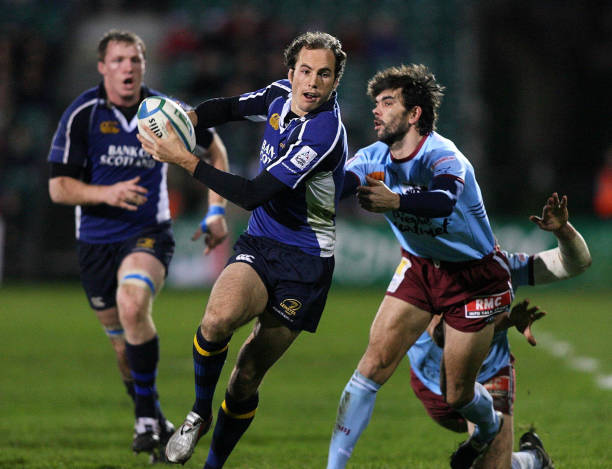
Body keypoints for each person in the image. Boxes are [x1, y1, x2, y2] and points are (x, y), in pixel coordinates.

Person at [138, 31, 348, 468]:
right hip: (261, 242)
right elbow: (230, 108)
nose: (312, 82)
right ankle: (198, 411)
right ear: (291, 74)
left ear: (334, 82)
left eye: (324, 75)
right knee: (215, 321)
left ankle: (214, 464)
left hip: (305, 264)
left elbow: (254, 194)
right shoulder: (277, 96)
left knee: (246, 377)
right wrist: (189, 118)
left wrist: (183, 158)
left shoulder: (324, 132)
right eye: (305, 71)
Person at [47, 29, 229, 461]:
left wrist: (215, 212)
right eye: (118, 60)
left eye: (135, 60)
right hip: (94, 242)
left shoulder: (166, 111)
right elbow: (58, 188)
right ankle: (150, 416)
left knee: (132, 303)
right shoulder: (83, 115)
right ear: (102, 67)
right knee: (120, 343)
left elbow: (216, 151)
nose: (127, 67)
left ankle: (148, 418)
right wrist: (103, 194)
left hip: (149, 232)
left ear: (144, 66)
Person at [327, 63, 513, 469]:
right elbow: (339, 186)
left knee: (458, 395)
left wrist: (395, 201)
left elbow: (443, 200)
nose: (377, 110)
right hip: (419, 268)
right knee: (372, 364)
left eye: (388, 102)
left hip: (475, 279)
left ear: (414, 114)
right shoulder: (373, 157)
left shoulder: (445, 156)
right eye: (375, 102)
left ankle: (486, 427)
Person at [408, 193, 591, 468]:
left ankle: (532, 460)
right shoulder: (424, 265)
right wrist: (503, 322)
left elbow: (576, 264)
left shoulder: (503, 265)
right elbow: (442, 332)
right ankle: (530, 460)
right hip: (432, 380)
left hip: (488, 372)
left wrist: (563, 231)